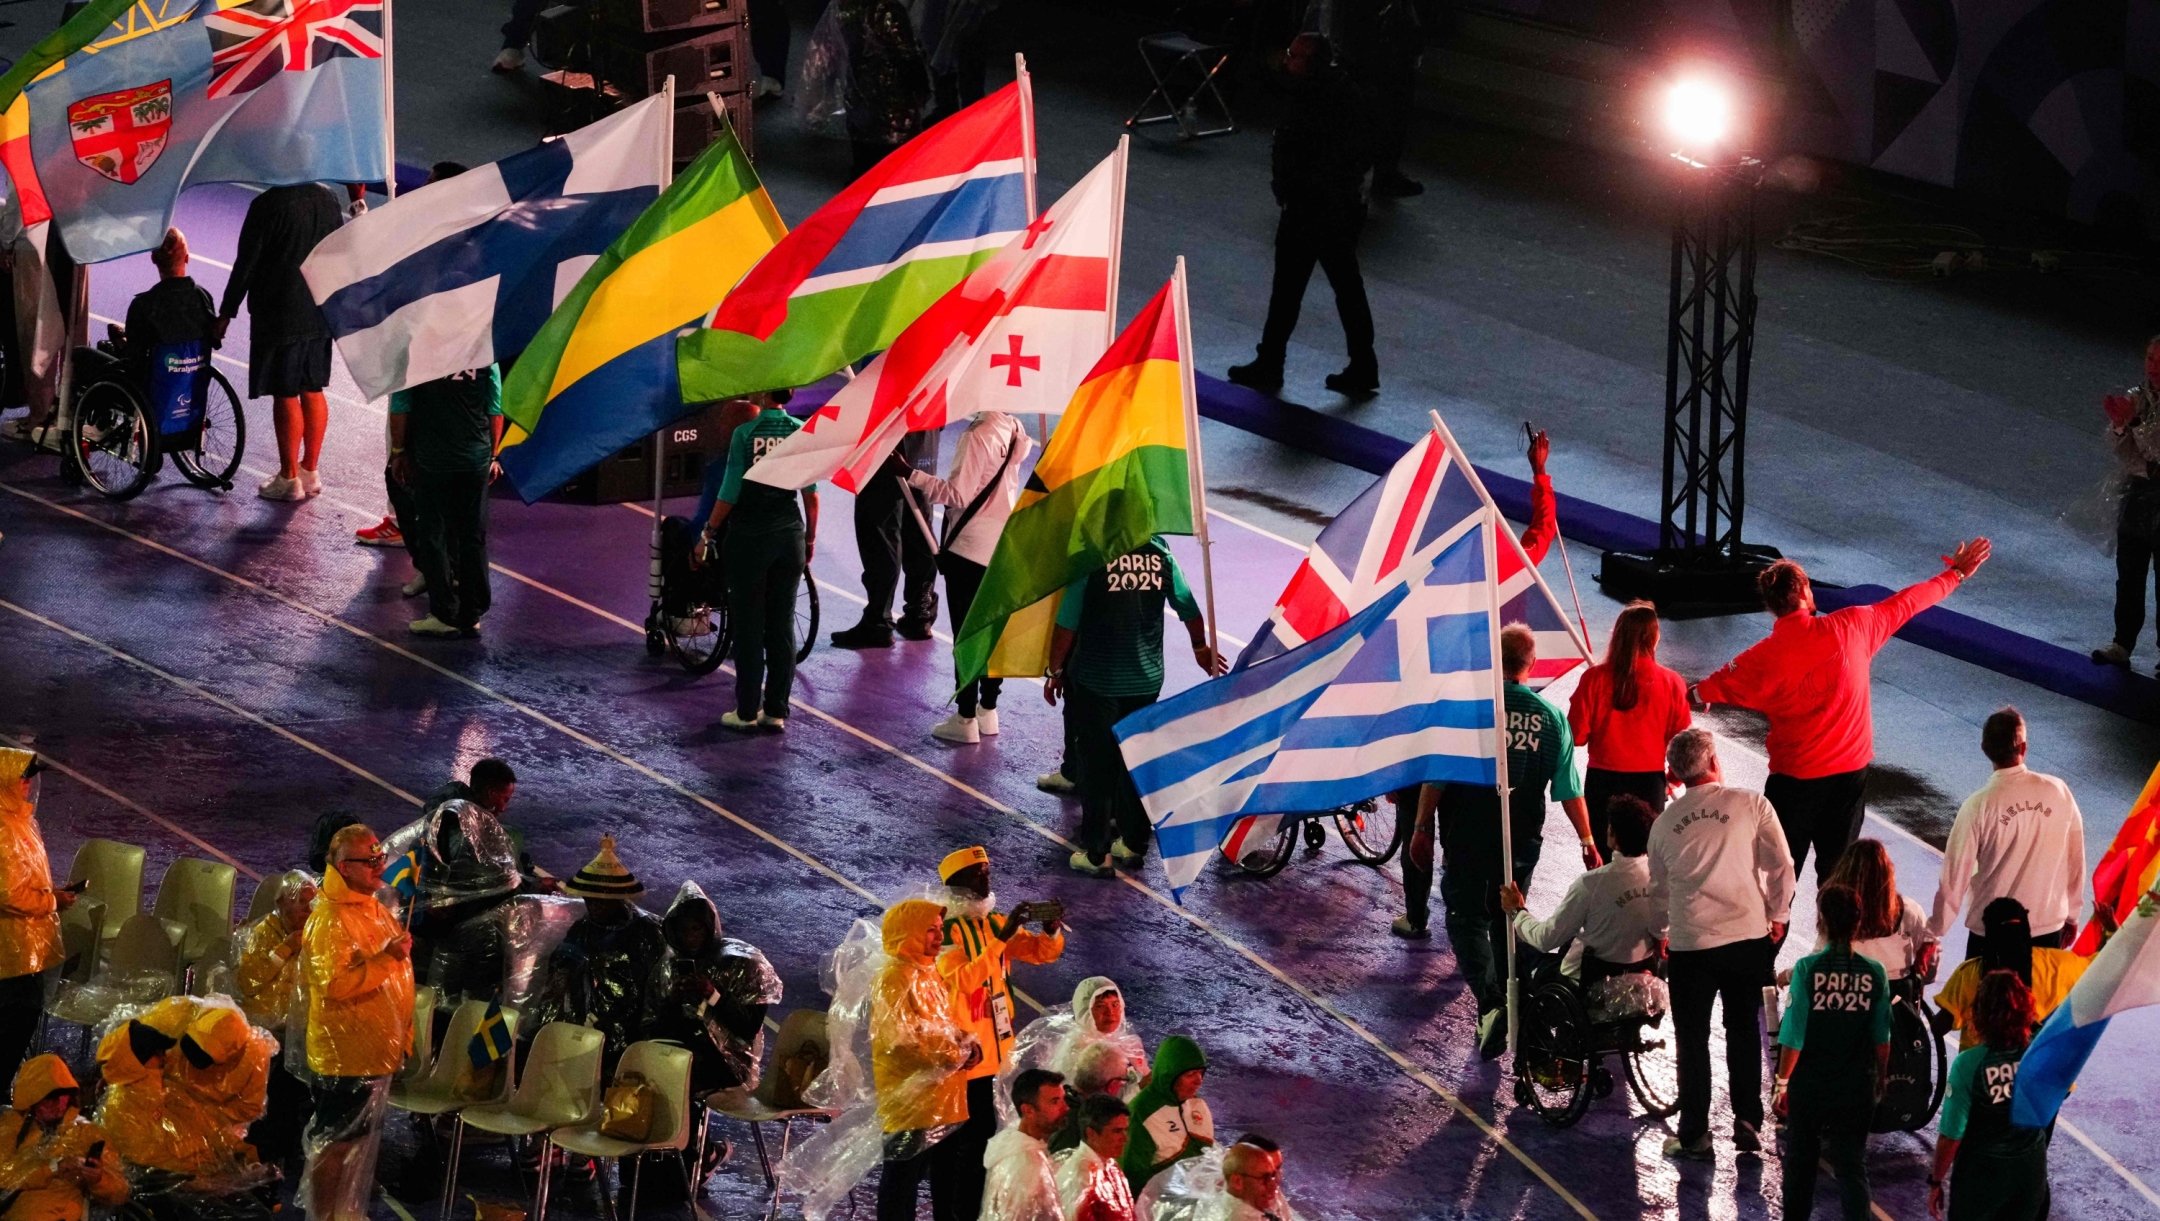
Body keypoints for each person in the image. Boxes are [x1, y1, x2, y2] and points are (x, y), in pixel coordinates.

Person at [1692, 541, 1992, 882]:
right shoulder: (1854, 627)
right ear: (1805, 591)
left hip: (1793, 785)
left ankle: (1771, 934)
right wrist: (1956, 573)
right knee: (1838, 882)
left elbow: (1706, 688)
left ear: (1771, 606)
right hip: (1847, 781)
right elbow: (1909, 602)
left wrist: (1693, 693)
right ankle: (1836, 932)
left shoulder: (1758, 659)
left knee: (1776, 881)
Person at [1400, 624, 1599, 1059]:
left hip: (1468, 831)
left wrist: (1419, 828)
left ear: (1494, 660)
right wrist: (1586, 839)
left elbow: (1438, 774)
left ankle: (1492, 1006)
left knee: (1465, 916)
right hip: (1523, 835)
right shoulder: (1551, 718)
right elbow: (1568, 789)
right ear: (1531, 664)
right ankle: (1518, 998)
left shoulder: (1469, 710)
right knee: (1508, 913)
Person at [1646, 728, 1795, 1160]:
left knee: (1691, 1042)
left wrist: (1660, 934)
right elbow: (1782, 864)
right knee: (1743, 1032)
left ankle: (1694, 1134)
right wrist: (1778, 914)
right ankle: (1747, 1119)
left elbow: (1658, 893)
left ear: (1674, 772)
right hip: (1746, 939)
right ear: (1713, 762)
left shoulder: (1663, 825)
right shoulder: (1750, 804)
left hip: (1692, 946)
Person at [1045, 538, 1227, 877]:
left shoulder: (1092, 557)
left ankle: (1098, 854)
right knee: (1135, 759)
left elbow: (1067, 624)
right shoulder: (1161, 555)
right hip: (1145, 679)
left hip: (1098, 681)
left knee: (1097, 765)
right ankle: (1133, 843)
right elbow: (1188, 607)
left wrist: (1055, 670)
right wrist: (1200, 647)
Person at [1225, 33, 1376, 398]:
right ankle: (1362, 365)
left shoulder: (1318, 98)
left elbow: (1311, 152)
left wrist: (1294, 190)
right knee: (1343, 288)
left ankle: (1272, 363)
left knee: (1292, 290)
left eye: (1294, 56)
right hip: (1330, 207)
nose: (1287, 60)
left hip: (1314, 208)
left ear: (1311, 63)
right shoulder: (1338, 92)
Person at [934, 847, 1063, 1218]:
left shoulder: (993, 923)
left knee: (986, 1140)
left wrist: (1050, 930)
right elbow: (963, 980)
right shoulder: (946, 930)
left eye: (988, 872)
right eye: (978, 874)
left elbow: (1040, 952)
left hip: (998, 1052)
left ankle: (974, 1210)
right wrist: (1002, 938)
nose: (986, 880)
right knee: (958, 1147)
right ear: (956, 884)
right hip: (965, 1056)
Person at [298, 824, 413, 1221]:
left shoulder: (370, 905)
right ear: (345, 867)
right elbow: (335, 983)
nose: (380, 865)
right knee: (336, 1146)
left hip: (371, 1049)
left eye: (381, 857)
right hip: (346, 1052)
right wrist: (388, 958)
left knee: (357, 1144)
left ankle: (344, 1212)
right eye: (371, 860)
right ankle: (326, 1216)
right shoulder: (332, 919)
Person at [695, 391, 820, 731]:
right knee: (781, 627)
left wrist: (708, 532)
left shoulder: (744, 434)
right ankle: (776, 711)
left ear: (763, 395)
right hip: (789, 537)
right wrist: (808, 540)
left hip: (750, 539)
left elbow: (731, 490)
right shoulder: (802, 430)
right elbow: (811, 495)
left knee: (749, 628)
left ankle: (747, 712)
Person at [906, 410, 1032, 741]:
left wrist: (911, 475)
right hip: (1002, 545)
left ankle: (964, 719)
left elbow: (959, 495)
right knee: (991, 634)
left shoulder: (977, 434)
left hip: (970, 548)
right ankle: (987, 711)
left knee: (967, 635)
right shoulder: (1014, 427)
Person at [1773, 884, 1893, 1221]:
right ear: (1858, 924)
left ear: (1821, 919)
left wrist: (1782, 1084)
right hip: (1855, 1087)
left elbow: (1794, 1035)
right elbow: (1881, 1037)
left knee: (1800, 1162)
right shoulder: (1875, 973)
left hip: (1810, 1086)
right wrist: (1881, 1080)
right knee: (1852, 1167)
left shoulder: (1808, 970)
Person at [217, 182, 342, 503]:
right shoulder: (328, 198)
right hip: (320, 306)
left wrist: (226, 313)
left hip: (281, 310)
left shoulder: (267, 204)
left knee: (285, 391)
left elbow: (247, 263)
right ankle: (309, 470)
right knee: (312, 387)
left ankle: (288, 478)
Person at [1930, 708, 2086, 958]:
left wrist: (1934, 931)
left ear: (1984, 748)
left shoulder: (1978, 806)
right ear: (2023, 748)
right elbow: (2075, 859)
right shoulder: (2059, 791)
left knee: (1989, 997)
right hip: (2047, 928)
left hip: (1992, 932)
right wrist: (2072, 913)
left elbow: (1954, 877)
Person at [870, 899, 979, 1221]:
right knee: (901, 1184)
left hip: (945, 1099)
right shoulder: (894, 978)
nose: (938, 936)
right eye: (930, 930)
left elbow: (939, 1026)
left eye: (939, 929)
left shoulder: (927, 973)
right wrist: (957, 1054)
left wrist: (968, 1043)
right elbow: (900, 1042)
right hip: (911, 1103)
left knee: (946, 1183)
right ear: (909, 934)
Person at [528, 837, 667, 1070]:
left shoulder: (645, 934)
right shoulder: (583, 927)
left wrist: (610, 1024)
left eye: (601, 900)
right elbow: (559, 967)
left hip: (622, 1034)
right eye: (589, 899)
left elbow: (646, 994)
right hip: (580, 1022)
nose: (594, 905)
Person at [1499, 793, 1666, 981]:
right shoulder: (1662, 877)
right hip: (1637, 973)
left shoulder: (1591, 884)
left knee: (1522, 950)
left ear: (1612, 834)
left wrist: (1517, 912)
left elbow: (1545, 940)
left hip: (1585, 981)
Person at [643, 880, 784, 1100]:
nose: (690, 937)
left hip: (726, 1063)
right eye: (683, 930)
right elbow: (652, 1028)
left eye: (696, 929)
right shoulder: (667, 968)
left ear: (708, 927)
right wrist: (673, 1001)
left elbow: (748, 1028)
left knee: (678, 1076)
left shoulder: (741, 963)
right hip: (682, 1052)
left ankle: (683, 1132)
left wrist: (713, 995)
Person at [1929, 971, 2052, 1221]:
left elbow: (1951, 1135)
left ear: (1980, 1014)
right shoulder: (2041, 1051)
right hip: (2030, 1170)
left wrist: (1935, 1181)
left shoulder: (1968, 1065)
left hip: (1982, 1176)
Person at [1567, 601, 1690, 848]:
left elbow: (1576, 737)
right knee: (1643, 863)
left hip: (1602, 783)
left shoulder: (1594, 678)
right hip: (1649, 785)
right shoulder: (1672, 682)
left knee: (1604, 859)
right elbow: (1683, 746)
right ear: (1654, 638)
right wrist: (1672, 781)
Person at [233, 869, 316, 1171]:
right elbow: (248, 979)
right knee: (280, 1081)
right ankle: (269, 1148)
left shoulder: (314, 933)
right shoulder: (263, 932)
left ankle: (293, 1146)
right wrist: (286, 949)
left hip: (301, 1027)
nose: (309, 912)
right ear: (281, 904)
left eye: (312, 904)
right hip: (268, 1028)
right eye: (302, 904)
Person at [832, 430, 941, 652]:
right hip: (923, 452)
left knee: (881, 540)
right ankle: (920, 616)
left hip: (884, 453)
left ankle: (878, 621)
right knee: (920, 532)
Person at [1933, 898, 2089, 1052]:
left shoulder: (1969, 973)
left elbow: (1940, 1026)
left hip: (1975, 1073)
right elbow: (2104, 967)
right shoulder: (2058, 965)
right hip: (2037, 1070)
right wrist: (2110, 930)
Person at [0, 749, 68, 1080]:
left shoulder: (18, 821)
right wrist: (51, 901)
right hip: (12, 957)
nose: (27, 783)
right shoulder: (4, 828)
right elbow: (9, 894)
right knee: (11, 1034)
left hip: (22, 954)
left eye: (29, 777)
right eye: (21, 777)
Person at [2095, 335, 2160, 669]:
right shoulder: (2139, 396)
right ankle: (2122, 643)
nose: (2154, 368)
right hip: (2139, 493)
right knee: (2130, 572)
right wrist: (2121, 425)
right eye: (2150, 359)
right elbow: (2128, 454)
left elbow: (2156, 449)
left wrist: (2134, 424)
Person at [0, 1055, 128, 1221]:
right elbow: (4, 1175)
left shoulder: (88, 1133)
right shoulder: (11, 1126)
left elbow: (120, 1192)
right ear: (33, 1097)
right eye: (52, 1098)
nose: (60, 1104)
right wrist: (53, 1168)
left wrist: (98, 1179)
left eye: (64, 1096)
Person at [1804, 838, 1937, 986]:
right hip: (1894, 993)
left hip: (1846, 990)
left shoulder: (1839, 907)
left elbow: (1820, 957)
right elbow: (1929, 966)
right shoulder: (1910, 909)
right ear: (1888, 872)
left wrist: (1792, 974)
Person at [837, 0, 932, 175]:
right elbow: (906, 55)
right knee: (889, 163)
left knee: (862, 157)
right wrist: (921, 86)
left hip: (860, 91)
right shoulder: (888, 11)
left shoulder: (848, 7)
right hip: (892, 98)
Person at [117, 228, 217, 379]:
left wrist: (120, 341)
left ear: (153, 259)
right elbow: (213, 340)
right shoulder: (203, 297)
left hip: (154, 385)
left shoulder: (142, 305)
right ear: (187, 258)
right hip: (194, 383)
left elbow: (134, 359)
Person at [1119, 1036, 1211, 1196]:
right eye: (1191, 1075)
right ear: (1170, 1075)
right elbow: (1132, 1179)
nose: (1199, 1081)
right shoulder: (1141, 1114)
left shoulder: (1196, 1104)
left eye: (1201, 1073)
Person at [980, 1068, 1068, 1221]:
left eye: (1063, 1099)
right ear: (1028, 1110)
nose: (1065, 1108)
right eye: (1055, 1101)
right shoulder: (1026, 1165)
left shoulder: (1016, 1144)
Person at [1055, 1093, 1133, 1221]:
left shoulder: (1109, 1162)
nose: (1125, 1139)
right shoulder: (1081, 1179)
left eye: (1126, 1130)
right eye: (1117, 1131)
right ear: (1091, 1133)